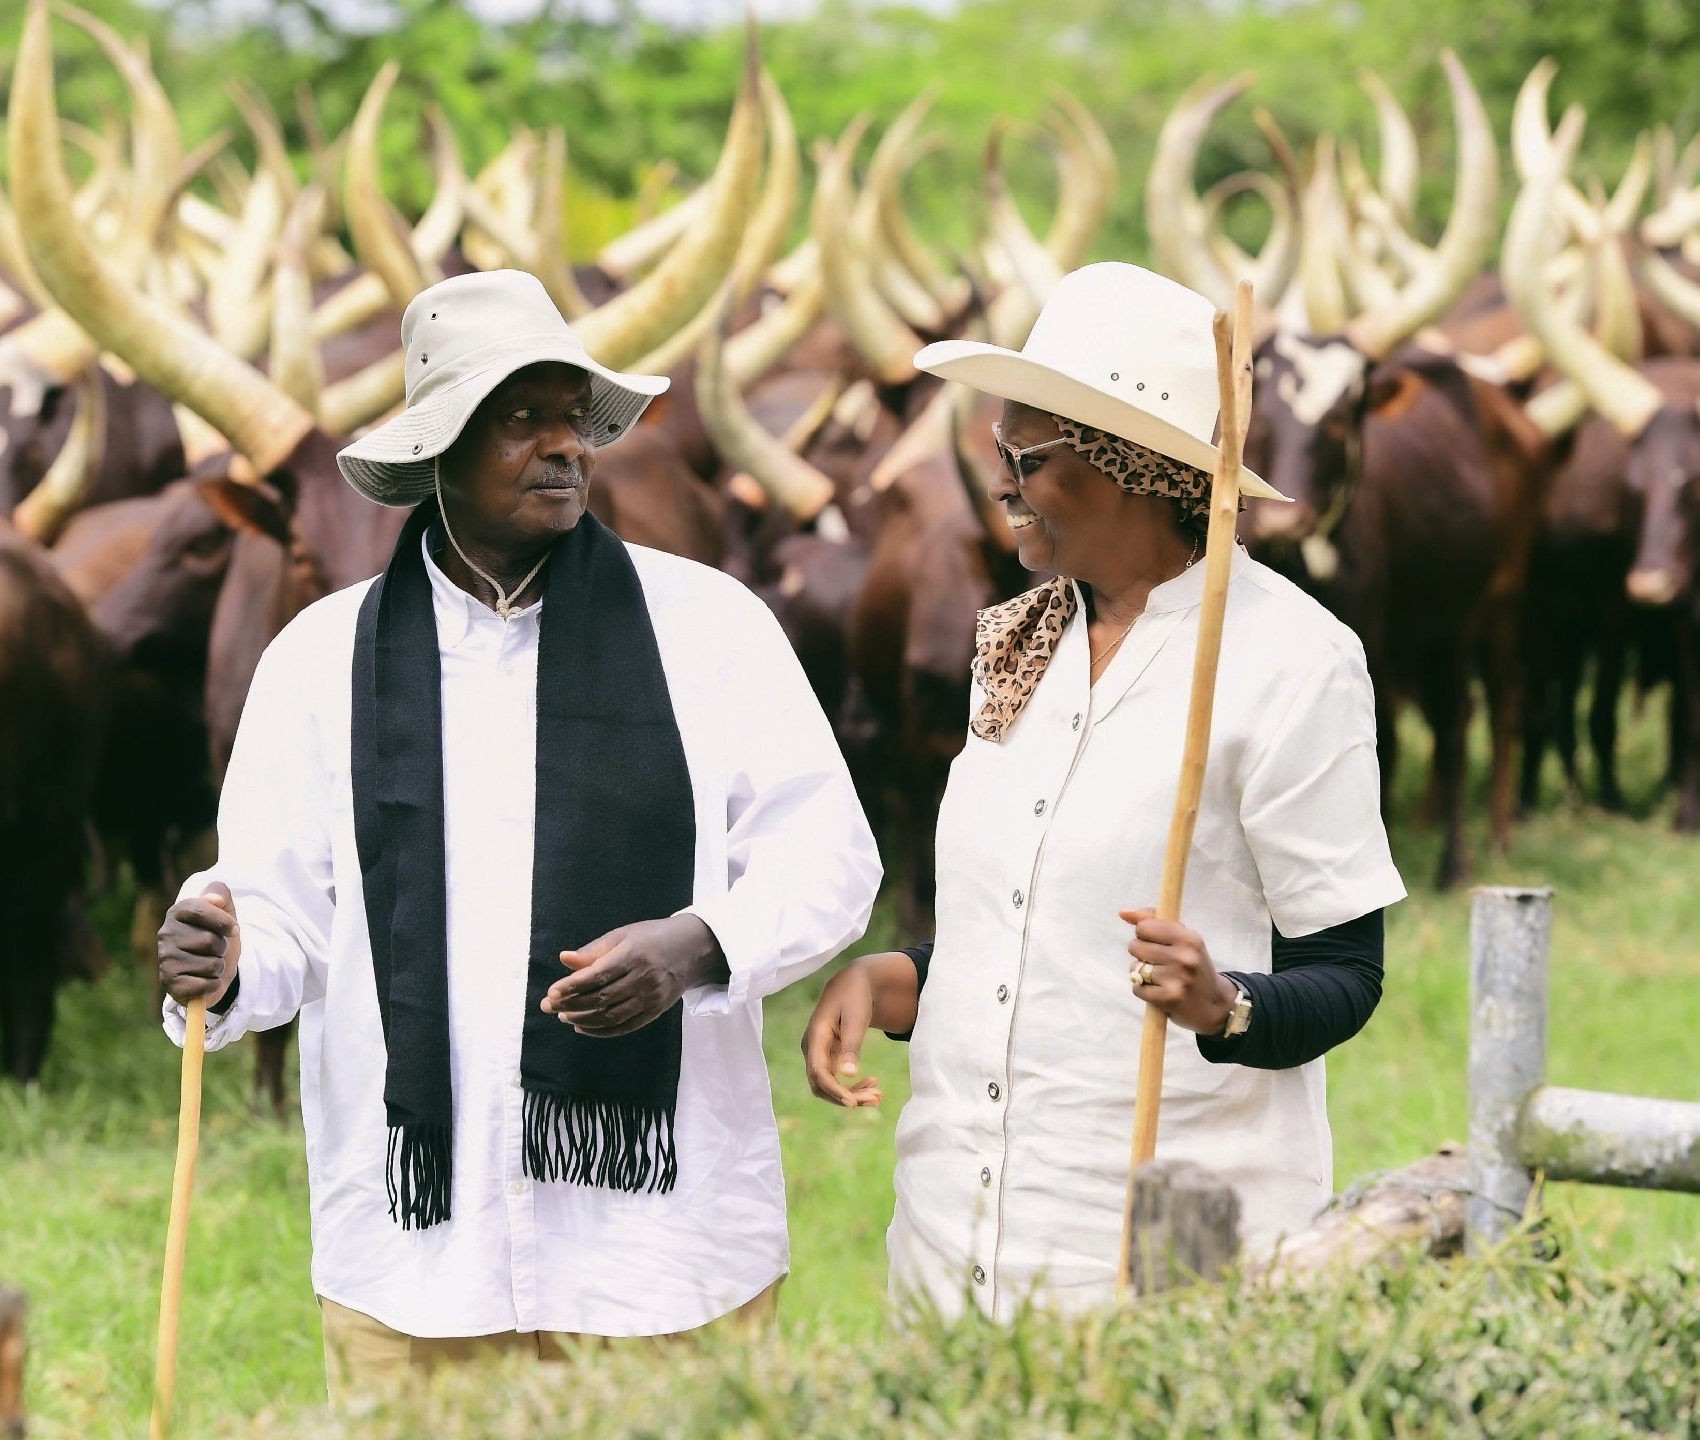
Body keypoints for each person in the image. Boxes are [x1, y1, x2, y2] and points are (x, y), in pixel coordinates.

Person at [156, 270, 880, 1397]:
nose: (564, 448)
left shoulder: (713, 628)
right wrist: (229, 952)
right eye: (520, 419)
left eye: (574, 420)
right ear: (437, 451)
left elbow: (828, 856)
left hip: (664, 1251)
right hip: (418, 1262)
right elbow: (281, 907)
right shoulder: (318, 659)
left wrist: (698, 946)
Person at [801, 262, 1406, 1320]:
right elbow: (1040, 926)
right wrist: (899, 979)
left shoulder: (1290, 660)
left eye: (1026, 458)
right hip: (954, 1237)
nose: (1000, 484)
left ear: (1131, 469)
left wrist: (1226, 1004)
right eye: (999, 452)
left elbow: (1347, 975)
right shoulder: (1019, 642)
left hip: (1149, 1253)